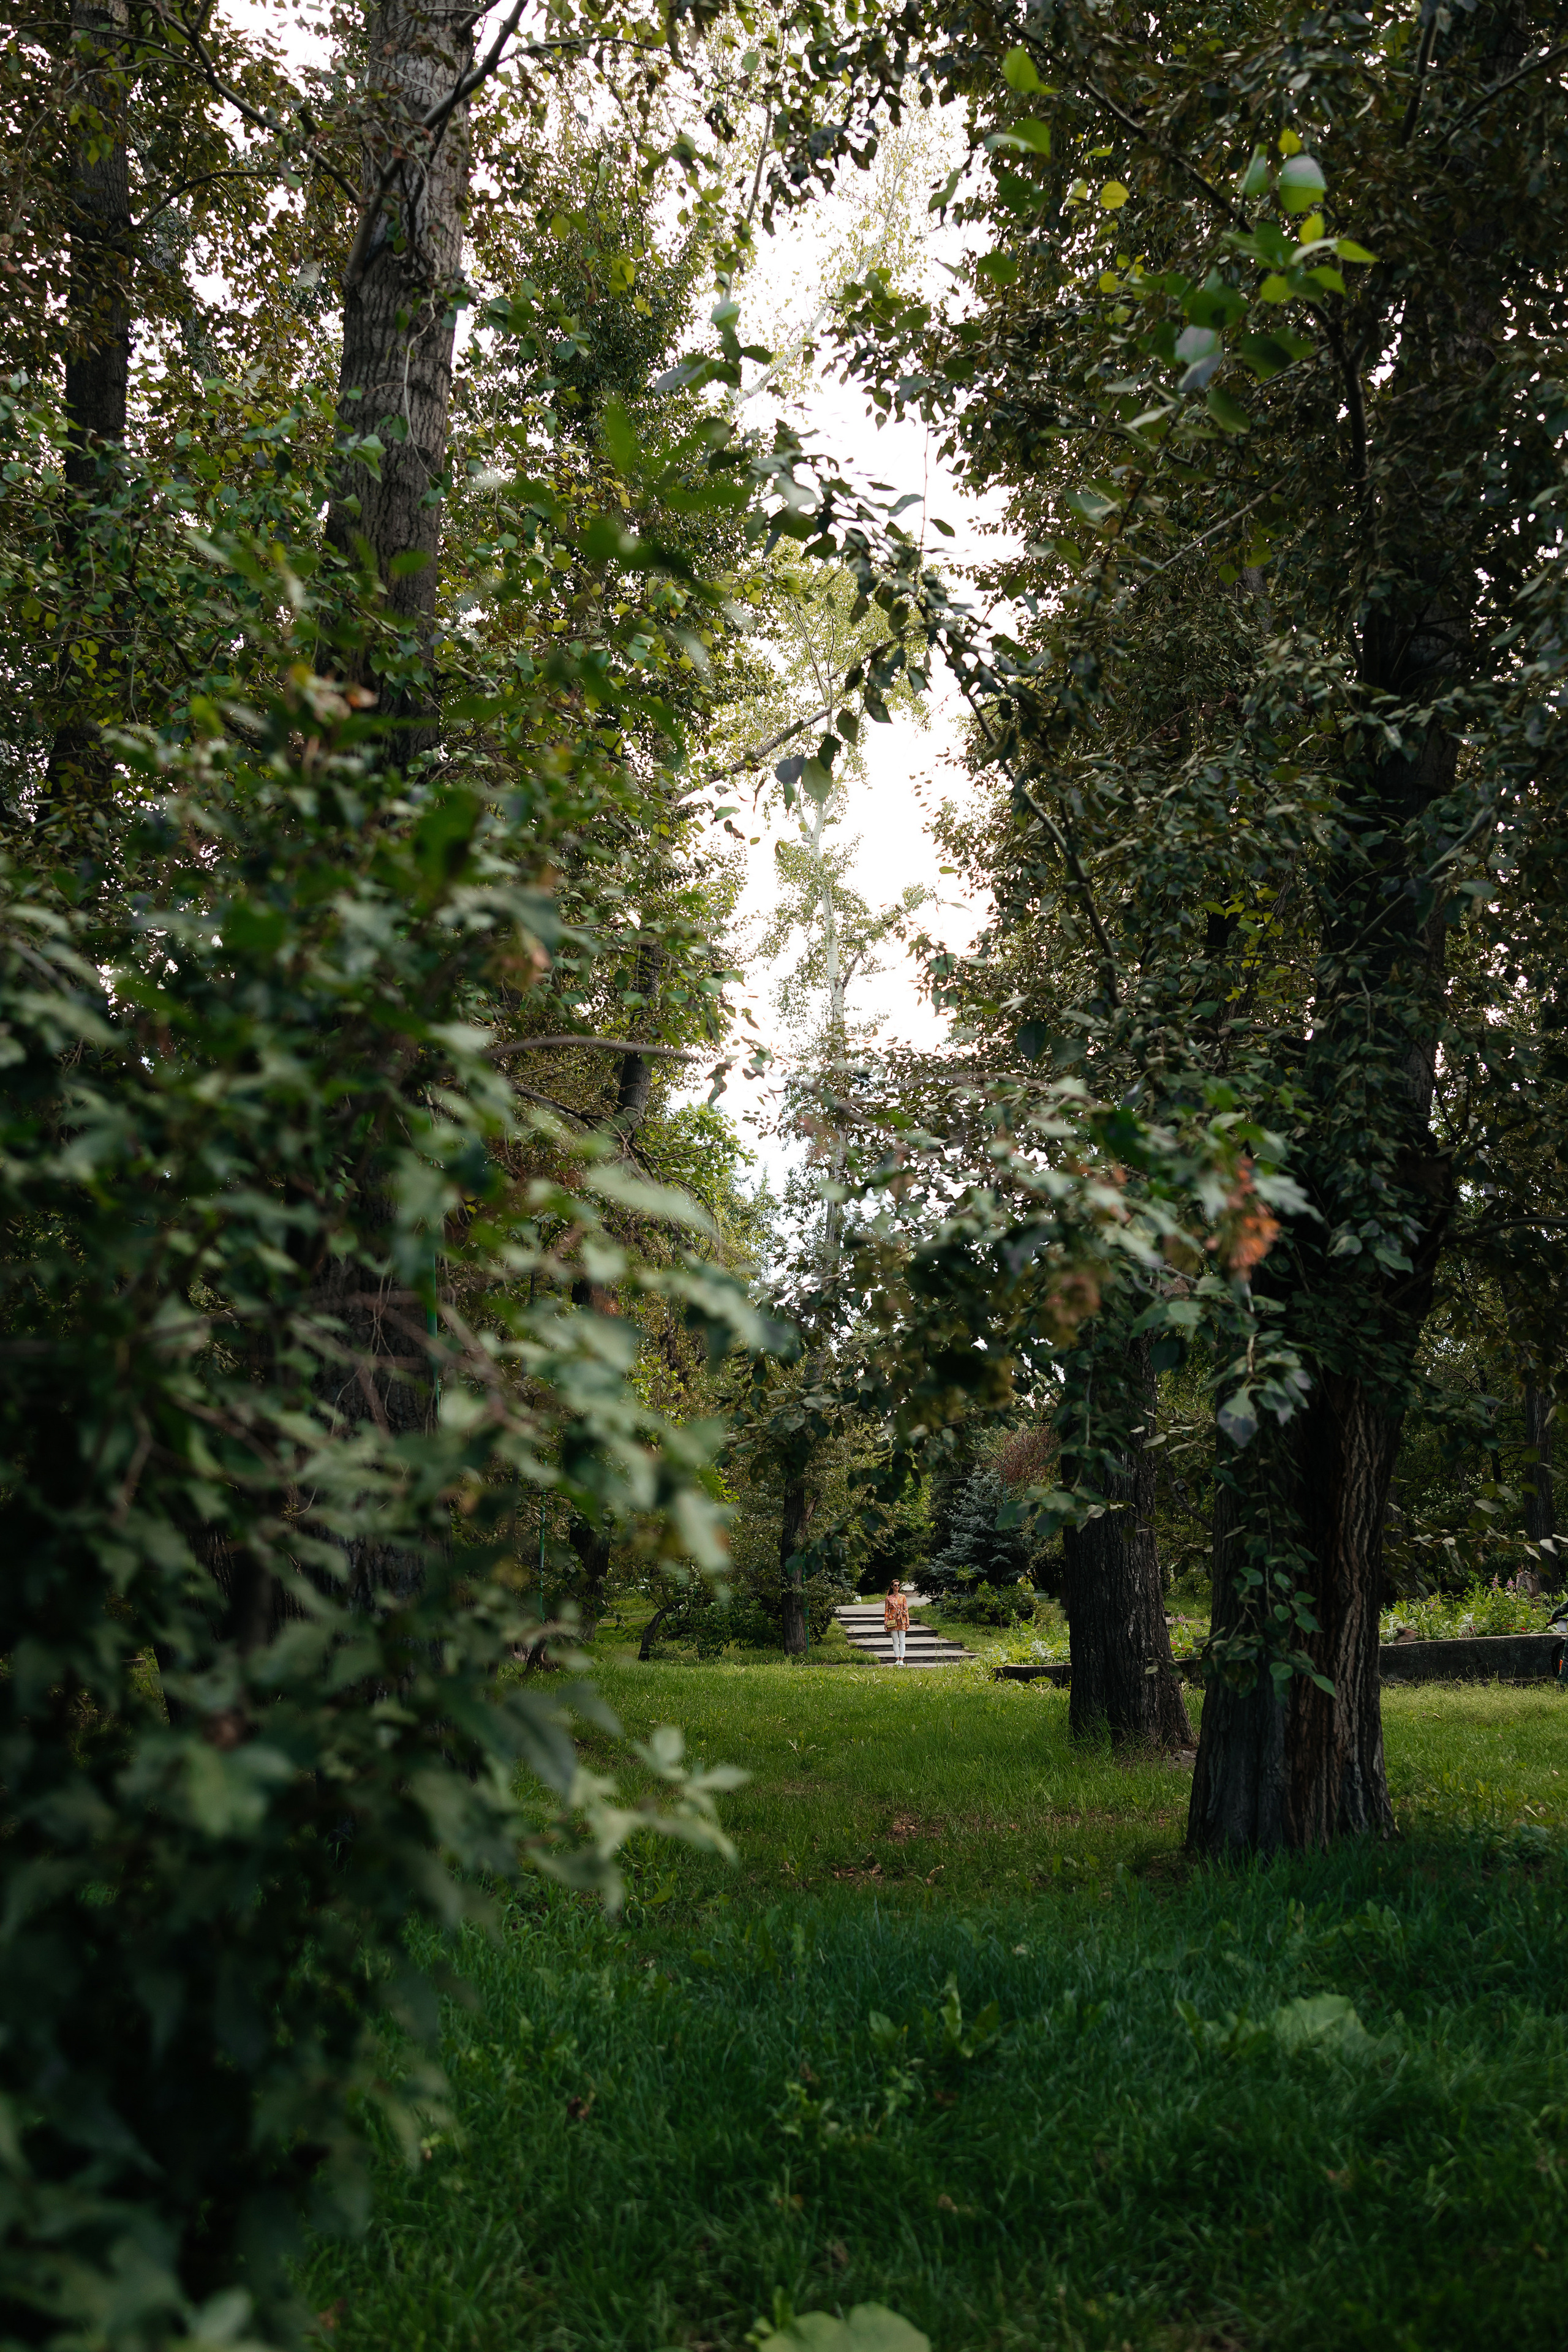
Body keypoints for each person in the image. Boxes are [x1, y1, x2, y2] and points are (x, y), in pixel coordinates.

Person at [884, 1578, 910, 1665]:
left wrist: (907, 1620)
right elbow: (887, 1610)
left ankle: (902, 1659)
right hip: (892, 1620)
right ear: (892, 1586)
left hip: (902, 1619)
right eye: (895, 1585)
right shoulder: (888, 1598)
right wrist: (886, 1621)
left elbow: (906, 1609)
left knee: (902, 1640)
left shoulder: (903, 1597)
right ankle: (897, 1659)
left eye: (898, 1585)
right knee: (895, 1641)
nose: (897, 1587)